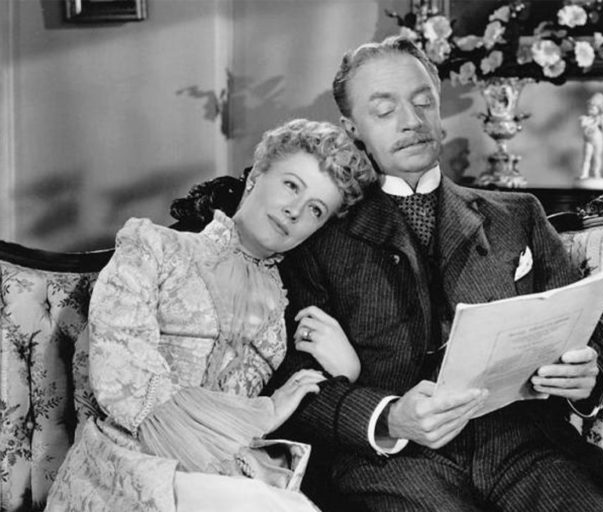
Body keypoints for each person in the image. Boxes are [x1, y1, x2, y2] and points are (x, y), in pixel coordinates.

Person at [273, 37, 603, 512]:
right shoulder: (319, 235)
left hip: (526, 450)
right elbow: (294, 383)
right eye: (384, 111)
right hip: (393, 463)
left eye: (423, 102)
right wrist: (389, 417)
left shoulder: (518, 215)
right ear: (353, 128)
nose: (411, 121)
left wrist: (585, 379)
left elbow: (582, 340)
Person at [45, 118, 377, 512]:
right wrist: (263, 414)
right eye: (291, 185)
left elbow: (304, 403)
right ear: (256, 176)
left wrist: (348, 370)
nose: (294, 211)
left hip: (221, 476)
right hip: (128, 469)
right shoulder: (154, 247)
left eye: (316, 210)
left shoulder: (285, 304)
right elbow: (123, 382)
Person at [578, 92, 603, 180]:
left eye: (593, 107)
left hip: (598, 141)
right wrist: (595, 121)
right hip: (588, 140)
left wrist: (602, 123)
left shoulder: (601, 119)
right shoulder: (585, 118)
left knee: (597, 157)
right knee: (586, 157)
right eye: (589, 107)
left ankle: (596, 173)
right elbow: (583, 124)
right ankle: (584, 173)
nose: (590, 109)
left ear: (599, 109)